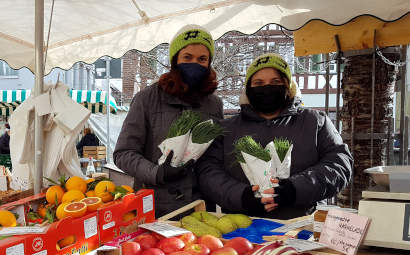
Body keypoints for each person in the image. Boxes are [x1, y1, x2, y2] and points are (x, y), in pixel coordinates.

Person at [196, 53, 353, 219]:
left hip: (302, 227)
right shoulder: (226, 128)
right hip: (241, 228)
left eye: (275, 82)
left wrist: (295, 189)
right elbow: (208, 172)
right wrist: (241, 196)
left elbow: (339, 164)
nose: (267, 88)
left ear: (288, 86)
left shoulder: (315, 122)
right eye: (258, 83)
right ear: (248, 89)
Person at [113, 24, 223, 217]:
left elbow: (215, 156)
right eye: (187, 57)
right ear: (175, 60)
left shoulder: (214, 104)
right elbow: (123, 153)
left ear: (209, 63)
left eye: (202, 59)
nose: (195, 64)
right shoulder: (147, 99)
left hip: (200, 207)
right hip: (155, 208)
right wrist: (157, 173)